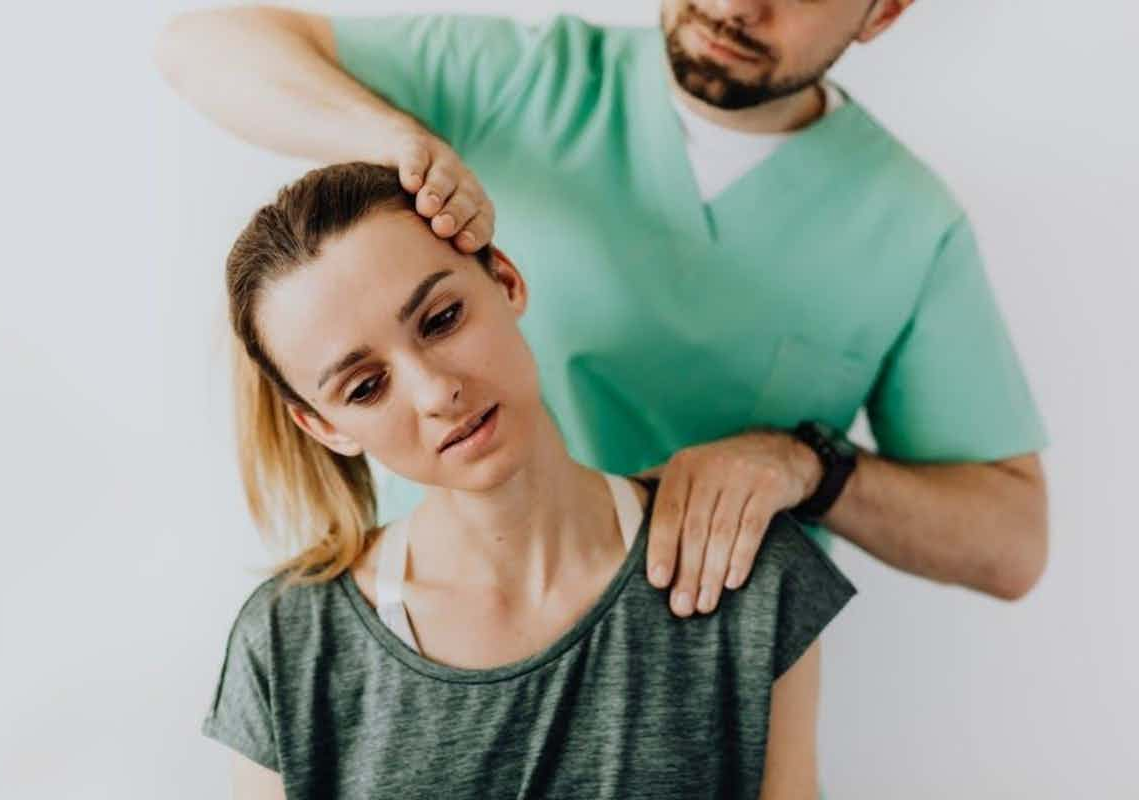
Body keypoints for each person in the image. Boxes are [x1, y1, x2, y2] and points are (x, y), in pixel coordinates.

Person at [156, 0, 1049, 619]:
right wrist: (396, 144)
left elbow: (1012, 545)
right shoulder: (523, 81)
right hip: (443, 629)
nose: (734, 4)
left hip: (693, 666)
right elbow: (202, 43)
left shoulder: (909, 224)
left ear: (884, 12)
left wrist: (807, 464)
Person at [205, 162, 855, 799]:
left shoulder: (742, 568)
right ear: (326, 429)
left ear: (506, 280)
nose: (437, 391)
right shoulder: (289, 643)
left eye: (441, 320)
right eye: (367, 387)